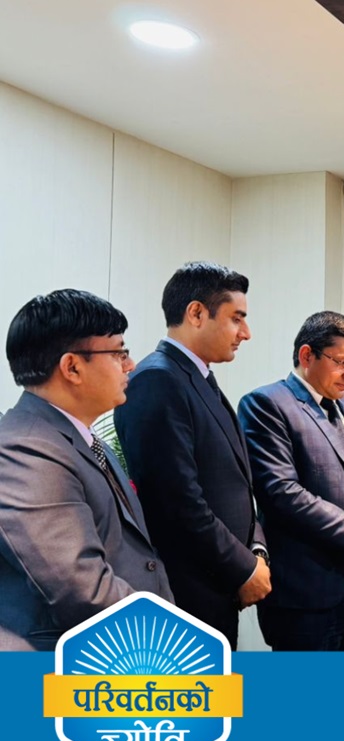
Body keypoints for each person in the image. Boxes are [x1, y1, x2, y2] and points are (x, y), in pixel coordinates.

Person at [0, 289, 172, 741]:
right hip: (52, 705)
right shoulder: (25, 448)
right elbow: (81, 587)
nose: (130, 364)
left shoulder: (84, 439)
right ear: (72, 366)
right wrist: (175, 653)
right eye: (118, 352)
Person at [114, 261, 269, 648]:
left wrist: (256, 550)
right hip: (187, 592)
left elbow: (235, 483)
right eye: (237, 319)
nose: (246, 333)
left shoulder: (196, 376)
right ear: (197, 313)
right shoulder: (157, 379)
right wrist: (243, 568)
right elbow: (176, 502)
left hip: (217, 583)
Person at [239, 312, 344, 651]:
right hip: (308, 592)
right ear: (307, 355)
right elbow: (282, 492)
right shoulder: (267, 404)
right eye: (342, 362)